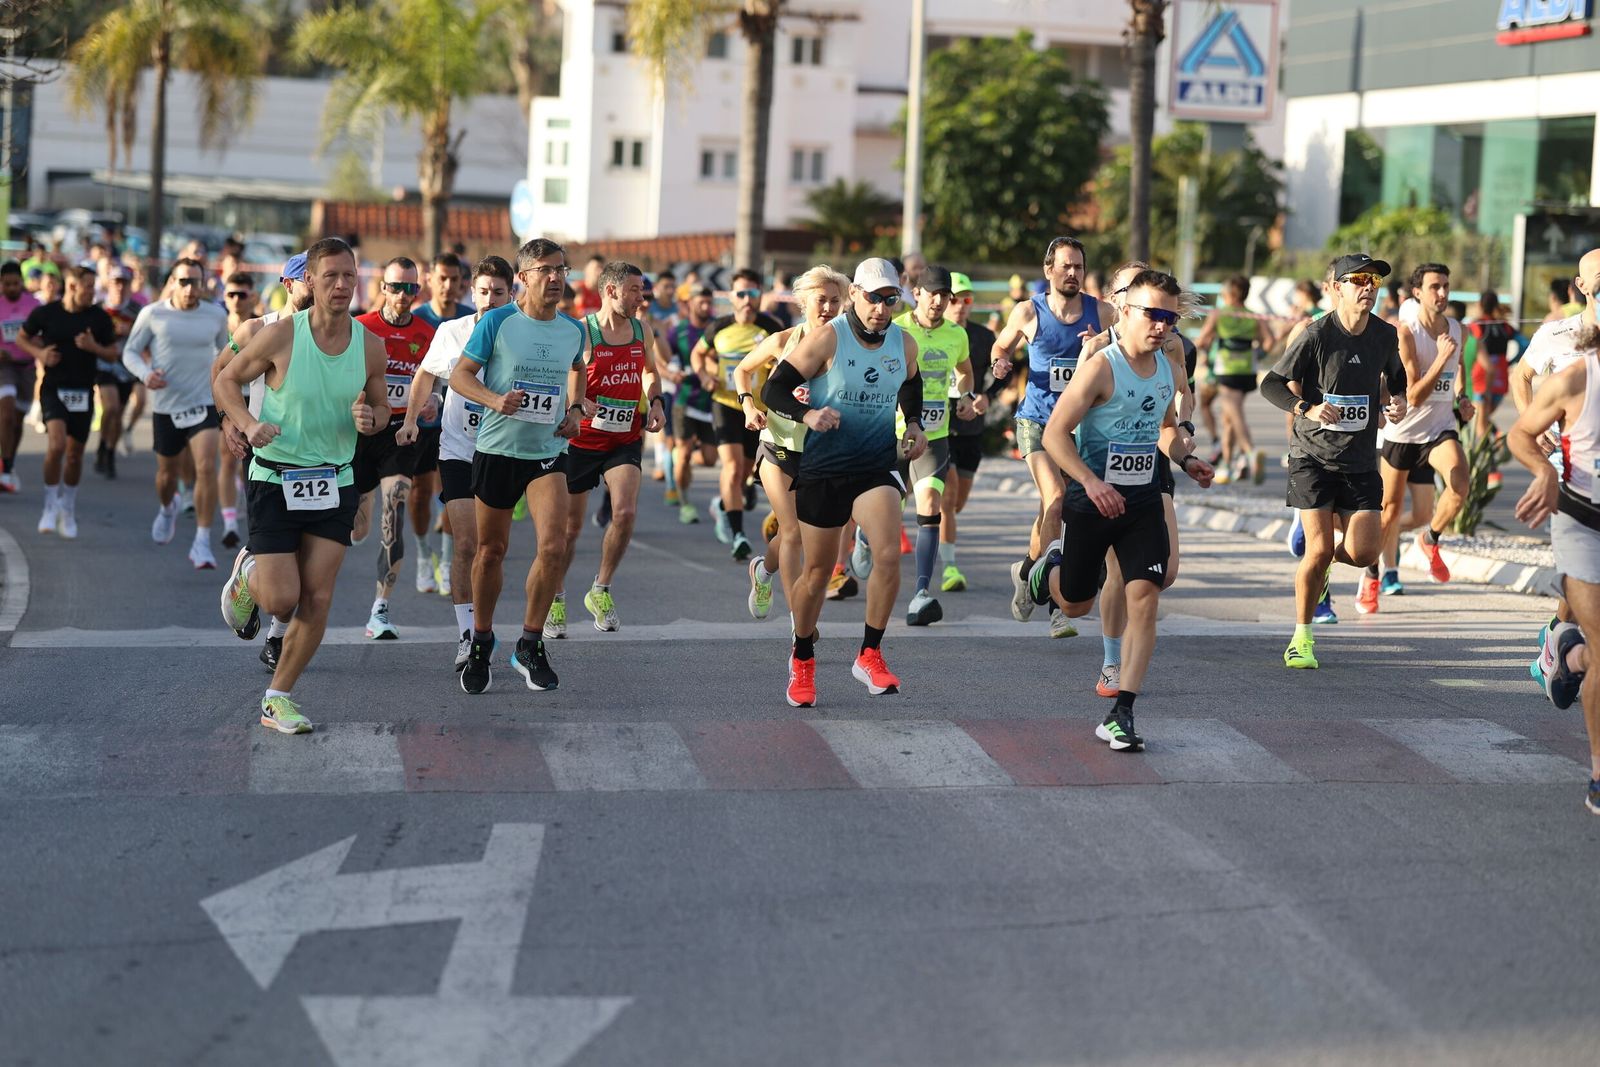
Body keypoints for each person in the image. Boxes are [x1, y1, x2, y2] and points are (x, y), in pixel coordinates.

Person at [1028, 269, 1214, 750]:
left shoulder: (1169, 370)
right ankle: (1042, 571)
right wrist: (1090, 482)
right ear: (1125, 312)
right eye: (1152, 314)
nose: (1161, 326)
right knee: (1076, 602)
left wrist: (1187, 459)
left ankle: (1122, 712)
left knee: (1146, 599)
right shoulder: (1100, 367)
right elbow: (1054, 435)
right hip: (1091, 503)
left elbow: (1166, 428)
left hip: (1142, 501)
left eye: (1169, 318)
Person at [214, 236, 390, 734]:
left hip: (335, 480)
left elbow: (382, 410)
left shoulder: (369, 346)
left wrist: (370, 417)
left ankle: (278, 697)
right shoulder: (280, 336)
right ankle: (248, 572)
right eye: (330, 275)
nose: (340, 285)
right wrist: (247, 426)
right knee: (280, 600)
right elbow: (226, 381)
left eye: (349, 276)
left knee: (318, 596)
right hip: (275, 476)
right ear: (308, 281)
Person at [761, 258, 927, 707]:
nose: (881, 307)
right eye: (873, 297)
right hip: (825, 468)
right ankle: (802, 655)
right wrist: (808, 414)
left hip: (875, 466)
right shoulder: (827, 338)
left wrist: (914, 424)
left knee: (889, 554)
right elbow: (773, 389)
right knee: (816, 575)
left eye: (890, 298)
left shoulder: (903, 343)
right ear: (855, 294)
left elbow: (912, 383)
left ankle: (870, 654)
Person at [450, 238, 590, 695]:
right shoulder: (497, 322)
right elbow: (460, 375)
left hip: (546, 452)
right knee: (490, 552)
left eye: (562, 270)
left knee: (554, 546)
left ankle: (529, 644)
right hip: (497, 450)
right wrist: (495, 400)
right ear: (524, 277)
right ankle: (481, 640)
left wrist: (574, 411)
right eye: (547, 270)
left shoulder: (572, 329)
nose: (556, 278)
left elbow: (577, 368)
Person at [1260, 254, 1407, 669]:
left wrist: (1397, 402)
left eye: (1374, 281)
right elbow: (1270, 384)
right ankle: (1301, 638)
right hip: (1313, 456)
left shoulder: (1384, 334)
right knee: (1320, 546)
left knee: (1363, 553)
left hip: (1360, 459)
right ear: (1336, 288)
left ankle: (1321, 565)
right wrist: (1305, 407)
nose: (1369, 287)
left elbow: (1396, 378)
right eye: (1359, 279)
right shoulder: (1316, 334)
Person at [990, 236, 1113, 639]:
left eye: (1078, 266)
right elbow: (1001, 345)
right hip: (1037, 422)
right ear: (1049, 270)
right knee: (1057, 498)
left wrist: (1100, 346)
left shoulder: (1103, 312)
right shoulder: (1029, 311)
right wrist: (1001, 362)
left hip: (1080, 426)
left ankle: (1027, 571)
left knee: (1055, 509)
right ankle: (1057, 608)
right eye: (1065, 266)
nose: (1073, 273)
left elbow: (1130, 345)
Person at [399, 255, 514, 672]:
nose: (487, 300)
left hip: (505, 453)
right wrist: (411, 419)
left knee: (492, 549)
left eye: (497, 293)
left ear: (511, 295)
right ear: (472, 291)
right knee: (466, 544)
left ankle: (484, 626)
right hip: (458, 450)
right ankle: (468, 634)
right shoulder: (453, 331)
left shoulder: (522, 335)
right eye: (481, 291)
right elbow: (425, 375)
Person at [542, 261, 665, 634]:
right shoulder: (582, 332)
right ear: (610, 291)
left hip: (623, 437)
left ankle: (601, 588)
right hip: (580, 441)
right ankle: (555, 596)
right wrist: (579, 404)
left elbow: (649, 371)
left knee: (625, 513)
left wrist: (656, 402)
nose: (640, 298)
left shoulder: (642, 330)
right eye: (633, 290)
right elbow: (565, 379)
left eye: (642, 290)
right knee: (570, 530)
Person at [1508, 315, 1600, 813]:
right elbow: (1519, 434)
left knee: (1598, 651)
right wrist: (1543, 470)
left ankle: (1571, 658)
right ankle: (1599, 774)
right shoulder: (1575, 378)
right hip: (1582, 521)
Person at [861, 264, 974, 626]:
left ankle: (921, 593)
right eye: (933, 293)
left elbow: (966, 371)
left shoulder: (957, 334)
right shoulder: (897, 330)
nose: (939, 301)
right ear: (917, 294)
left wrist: (964, 395)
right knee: (887, 510)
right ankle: (863, 534)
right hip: (889, 435)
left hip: (934, 438)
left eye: (946, 295)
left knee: (930, 505)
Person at [735, 264, 848, 622]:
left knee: (799, 533)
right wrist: (748, 404)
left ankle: (762, 571)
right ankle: (798, 619)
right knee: (793, 530)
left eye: (835, 301)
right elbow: (742, 370)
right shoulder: (783, 340)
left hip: (819, 454)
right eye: (821, 300)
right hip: (777, 445)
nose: (828, 308)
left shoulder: (845, 348)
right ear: (804, 302)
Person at [1512, 248, 1600, 686]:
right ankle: (1564, 648)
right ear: (1582, 286)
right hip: (1568, 465)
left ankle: (1558, 639)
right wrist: (1535, 427)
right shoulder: (1557, 334)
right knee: (1580, 566)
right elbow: (1520, 377)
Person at [1368, 263, 1471, 612]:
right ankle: (1372, 575)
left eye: (1445, 286)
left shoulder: (1459, 330)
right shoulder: (1407, 333)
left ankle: (1431, 539)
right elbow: (1413, 395)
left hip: (1439, 431)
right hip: (1403, 433)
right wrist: (1441, 358)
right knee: (1389, 513)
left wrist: (1463, 398)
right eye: (1434, 287)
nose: (1442, 293)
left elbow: (1459, 372)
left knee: (1459, 485)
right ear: (1418, 293)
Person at [121, 257, 231, 568]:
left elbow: (226, 355)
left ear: (203, 283)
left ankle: (202, 541)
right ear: (173, 281)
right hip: (167, 405)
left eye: (195, 281)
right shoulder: (153, 313)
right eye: (183, 281)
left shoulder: (215, 315)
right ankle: (168, 508)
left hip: (202, 402)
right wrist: (145, 375)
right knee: (166, 476)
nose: (189, 288)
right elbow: (129, 351)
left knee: (206, 467)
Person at [352, 257, 437, 639]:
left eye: (411, 288)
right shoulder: (361, 328)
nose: (403, 295)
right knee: (357, 528)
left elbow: (434, 383)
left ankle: (380, 609)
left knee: (394, 510)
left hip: (402, 433)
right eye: (397, 287)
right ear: (382, 288)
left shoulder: (427, 332)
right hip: (361, 432)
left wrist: (433, 399)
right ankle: (363, 498)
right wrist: (357, 407)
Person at [18, 264, 118, 538]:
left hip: (84, 391)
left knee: (74, 455)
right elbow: (22, 337)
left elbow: (112, 354)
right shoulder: (46, 313)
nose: (92, 292)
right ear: (72, 286)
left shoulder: (98, 318)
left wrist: (93, 347)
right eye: (88, 287)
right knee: (57, 444)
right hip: (53, 388)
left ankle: (68, 507)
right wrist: (39, 354)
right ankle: (50, 504)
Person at [691, 268, 784, 560]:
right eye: (741, 293)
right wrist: (706, 375)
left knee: (746, 472)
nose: (746, 300)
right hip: (726, 404)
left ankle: (725, 504)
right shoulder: (718, 327)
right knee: (731, 469)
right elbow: (698, 354)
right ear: (731, 296)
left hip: (758, 410)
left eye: (752, 294)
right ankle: (739, 535)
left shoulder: (771, 327)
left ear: (760, 296)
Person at [939, 271, 999, 593]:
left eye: (967, 300)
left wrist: (988, 395)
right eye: (954, 299)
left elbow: (999, 371)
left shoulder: (981, 337)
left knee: (957, 503)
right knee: (947, 499)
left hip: (971, 429)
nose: (960, 306)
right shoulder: (930, 335)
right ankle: (949, 567)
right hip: (940, 428)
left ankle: (931, 519)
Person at [1194, 274, 1272, 484]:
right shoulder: (1253, 315)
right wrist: (1258, 355)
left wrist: (1206, 350)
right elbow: (1269, 341)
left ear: (1229, 294)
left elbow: (1202, 340)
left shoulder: (1219, 314)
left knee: (1234, 414)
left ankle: (1250, 452)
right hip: (1247, 370)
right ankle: (1227, 466)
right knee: (1228, 418)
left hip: (1226, 369)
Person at [666, 285, 718, 521]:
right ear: (690, 304)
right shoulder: (679, 331)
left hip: (711, 402)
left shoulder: (719, 328)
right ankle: (686, 503)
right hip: (685, 399)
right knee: (684, 454)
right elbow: (656, 356)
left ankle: (683, 453)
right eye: (701, 302)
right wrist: (670, 375)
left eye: (709, 302)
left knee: (709, 459)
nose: (706, 307)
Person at [96, 265, 144, 476]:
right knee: (111, 407)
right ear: (109, 283)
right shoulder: (98, 308)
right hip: (104, 363)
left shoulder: (137, 311)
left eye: (124, 282)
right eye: (116, 282)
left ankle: (109, 451)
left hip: (127, 366)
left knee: (118, 414)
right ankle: (103, 445)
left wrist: (131, 330)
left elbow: (147, 337)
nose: (119, 287)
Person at [0, 261, 42, 493]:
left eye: (16, 283)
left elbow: (46, 335)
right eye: (7, 284)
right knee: (5, 413)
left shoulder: (34, 306)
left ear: (22, 283)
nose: (11, 288)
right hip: (4, 368)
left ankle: (9, 460)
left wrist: (38, 343)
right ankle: (4, 467)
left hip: (27, 368)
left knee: (17, 421)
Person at [414, 252, 475, 328]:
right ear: (429, 280)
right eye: (442, 279)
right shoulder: (416, 320)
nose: (448, 285)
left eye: (454, 279)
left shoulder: (471, 319)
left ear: (460, 280)